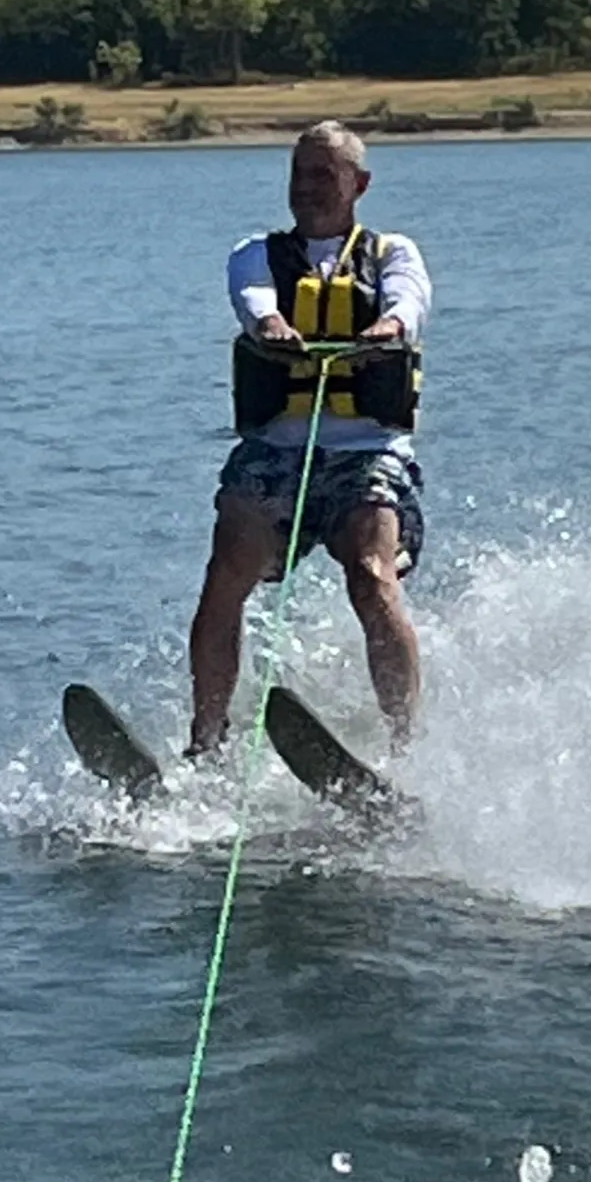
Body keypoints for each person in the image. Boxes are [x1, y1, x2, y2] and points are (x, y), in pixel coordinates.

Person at [188, 120, 431, 754]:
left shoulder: (393, 255)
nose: (308, 187)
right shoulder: (255, 253)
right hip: (276, 453)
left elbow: (409, 302)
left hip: (367, 454)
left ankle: (407, 749)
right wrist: (269, 321)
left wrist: (389, 327)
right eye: (299, 174)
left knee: (372, 577)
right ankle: (206, 739)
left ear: (360, 184)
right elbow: (253, 296)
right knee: (226, 572)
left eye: (324, 174)